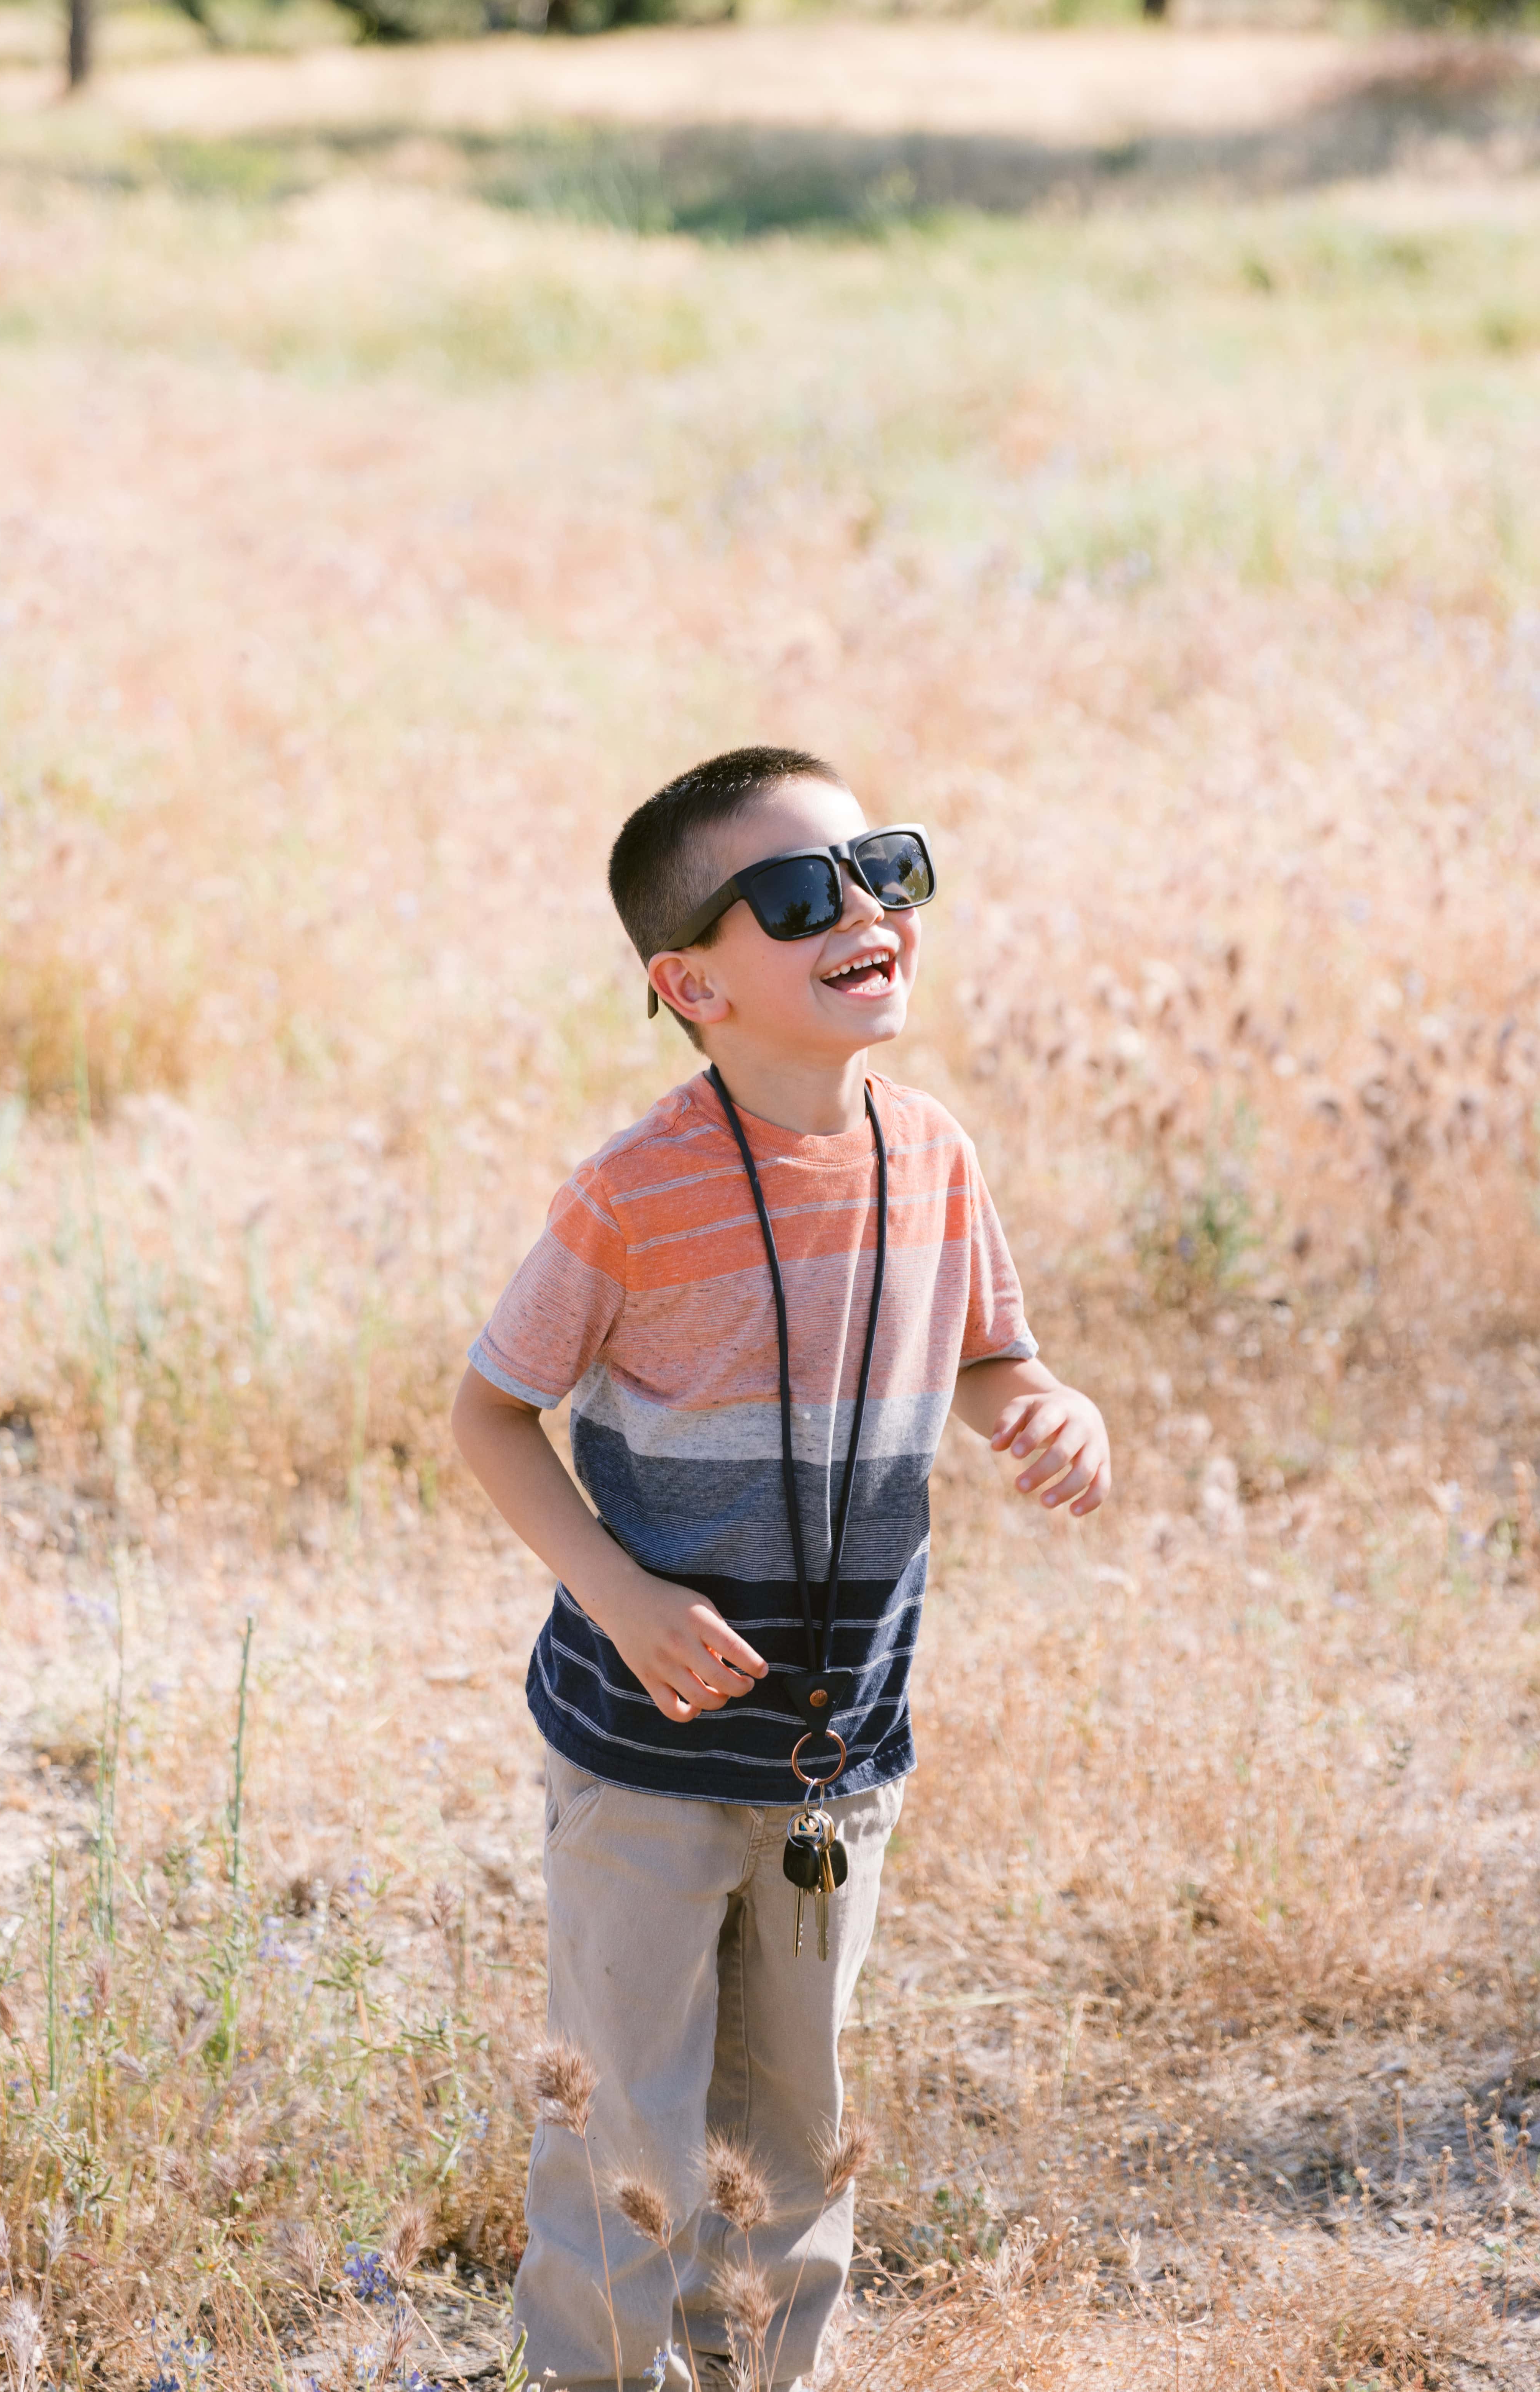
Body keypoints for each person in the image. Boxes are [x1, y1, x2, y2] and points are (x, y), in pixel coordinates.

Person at [452, 746, 1110, 2392]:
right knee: (629, 2123)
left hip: (839, 1742)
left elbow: (992, 1353)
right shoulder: (633, 1193)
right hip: (649, 1746)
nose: (865, 909)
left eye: (884, 868)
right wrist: (618, 1593)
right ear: (691, 984)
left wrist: (1048, 1405)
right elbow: (490, 1412)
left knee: (798, 2128)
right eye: (804, 894)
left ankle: (764, 2370)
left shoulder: (933, 1153)